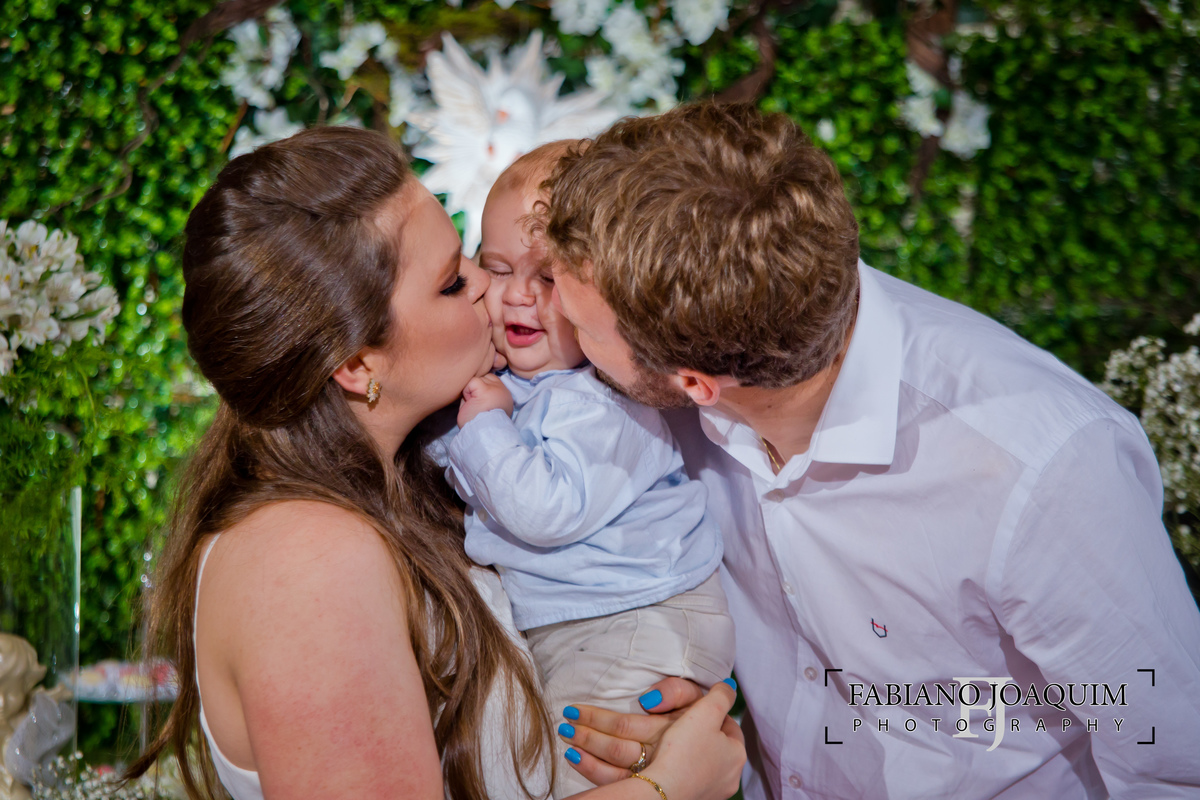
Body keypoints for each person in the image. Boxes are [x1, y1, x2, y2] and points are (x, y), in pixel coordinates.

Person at [536, 102, 1200, 798]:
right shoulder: (680, 380)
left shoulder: (1042, 469)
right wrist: (699, 705)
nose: (552, 318)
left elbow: (1174, 765)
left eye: (579, 323)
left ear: (696, 383)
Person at [125, 126, 745, 800]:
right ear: (357, 363)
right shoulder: (307, 561)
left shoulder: (421, 474)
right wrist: (669, 786)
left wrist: (635, 726)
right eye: (453, 282)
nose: (488, 287)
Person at [431, 142, 736, 798]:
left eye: (548, 278)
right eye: (497, 268)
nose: (518, 295)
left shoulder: (605, 401)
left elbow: (542, 509)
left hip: (638, 617)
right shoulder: (524, 384)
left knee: (576, 780)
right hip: (593, 615)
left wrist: (480, 426)